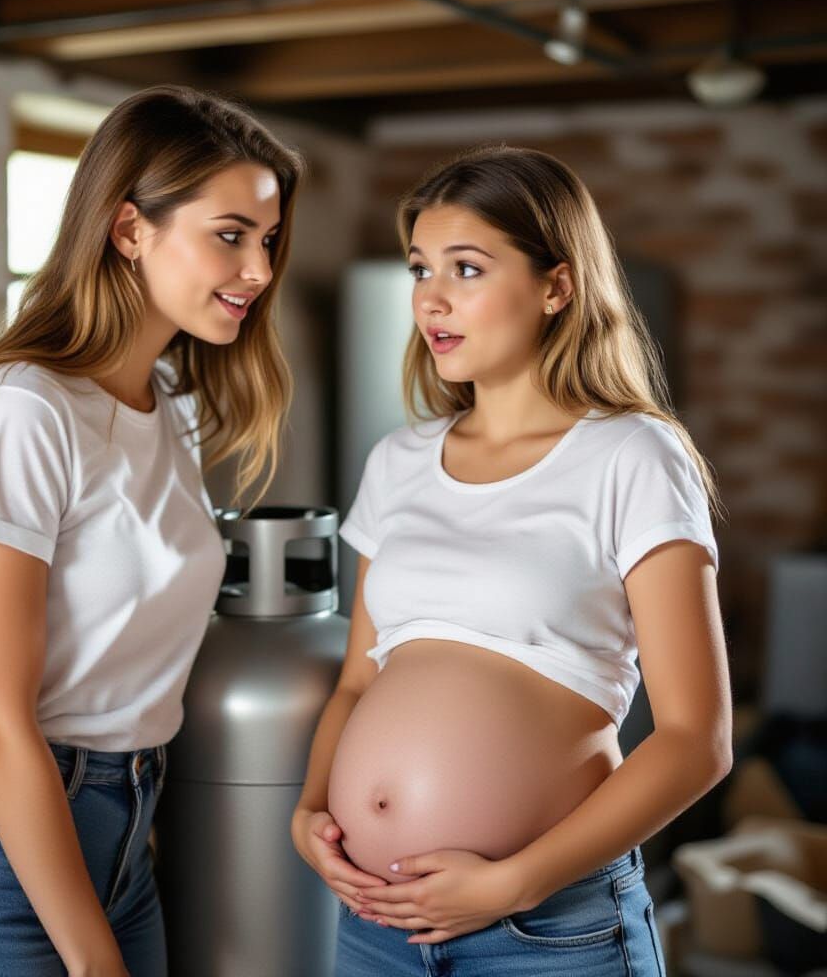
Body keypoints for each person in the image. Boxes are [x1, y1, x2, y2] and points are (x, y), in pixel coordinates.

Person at [0, 84, 303, 977]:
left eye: (267, 239)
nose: (258, 269)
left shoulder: (168, 406)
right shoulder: (25, 411)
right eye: (230, 235)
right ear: (130, 228)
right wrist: (94, 958)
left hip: (122, 834)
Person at [292, 145, 732, 976]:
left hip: (547, 932)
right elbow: (359, 681)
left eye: (467, 268)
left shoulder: (633, 455)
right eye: (422, 269)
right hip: (374, 927)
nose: (433, 298)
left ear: (556, 286)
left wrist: (513, 885)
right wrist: (309, 810)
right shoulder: (398, 460)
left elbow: (695, 741)